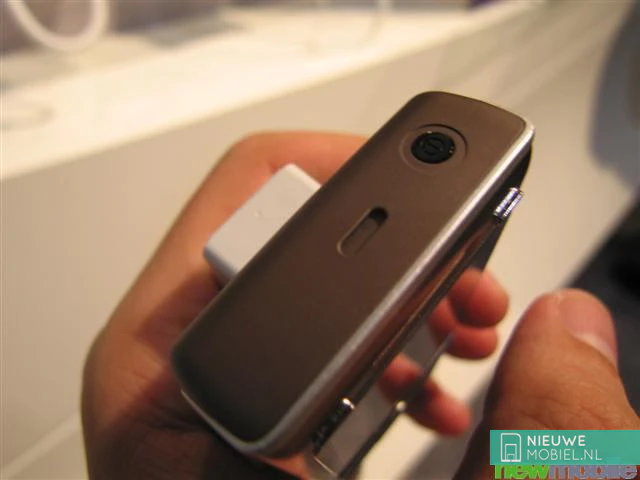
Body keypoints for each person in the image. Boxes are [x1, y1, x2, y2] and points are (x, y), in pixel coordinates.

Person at [81, 133, 639, 480]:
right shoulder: (601, 457)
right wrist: (596, 452)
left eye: (598, 458)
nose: (597, 454)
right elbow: (595, 459)